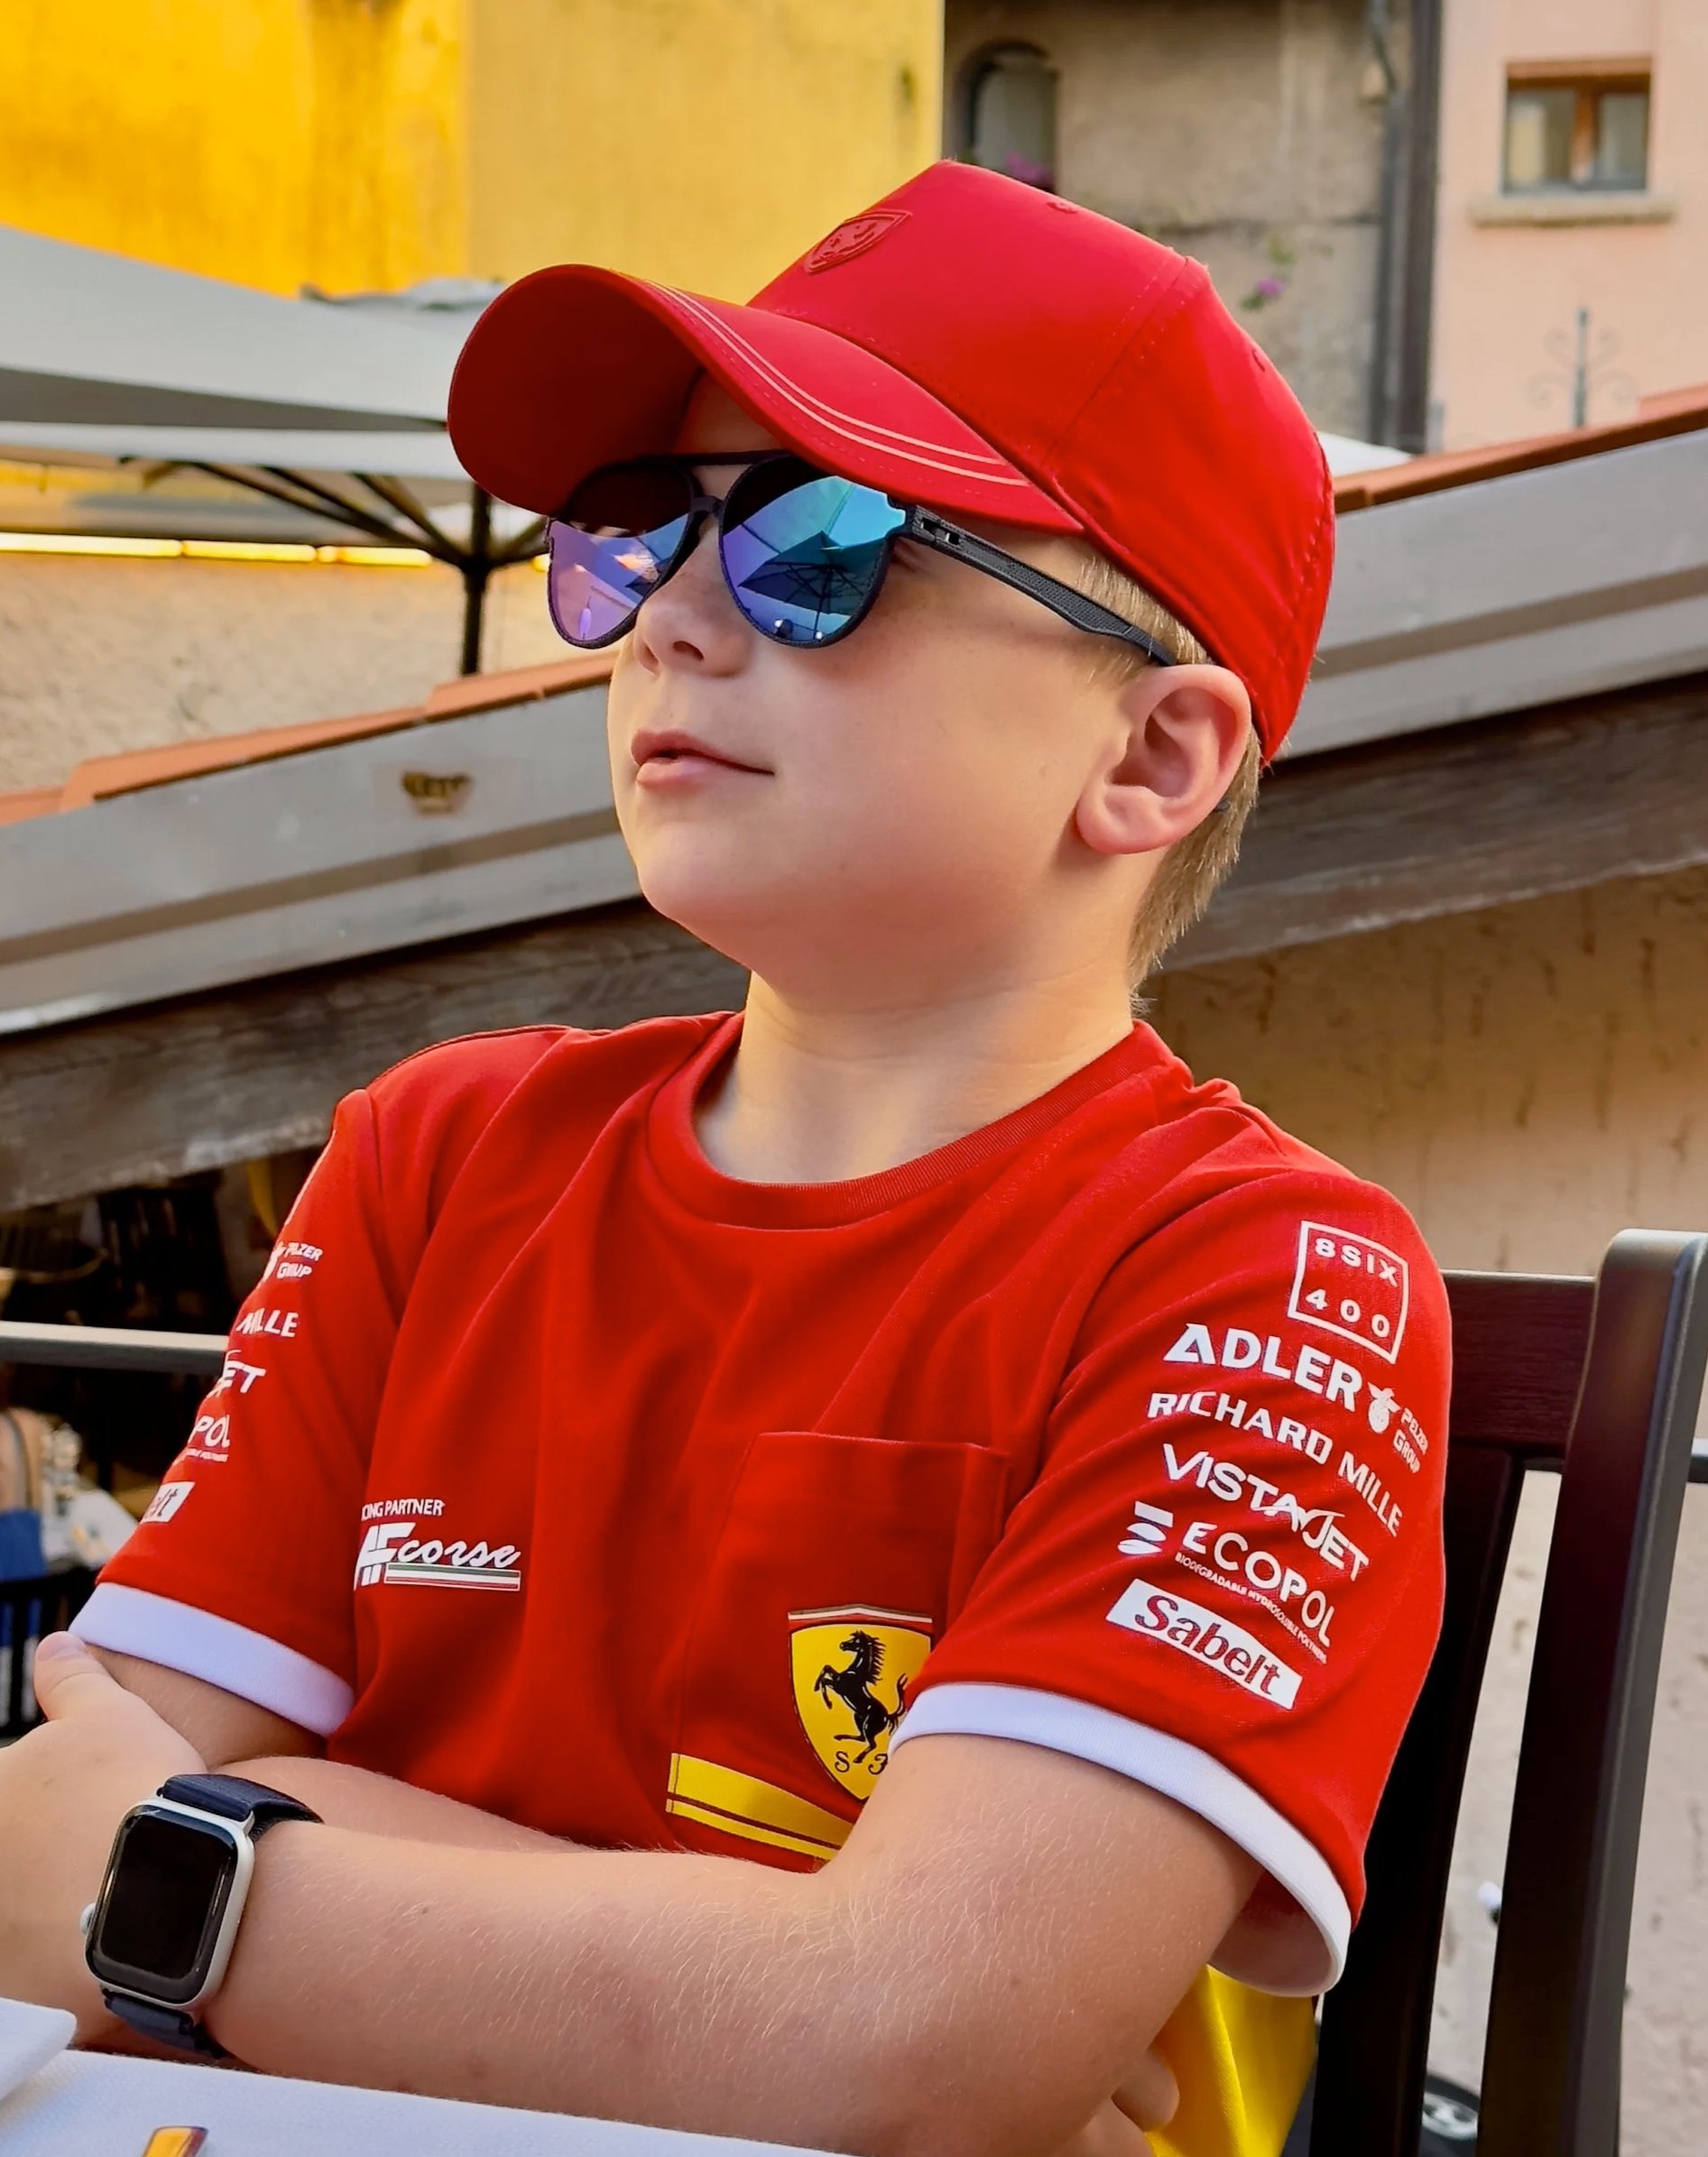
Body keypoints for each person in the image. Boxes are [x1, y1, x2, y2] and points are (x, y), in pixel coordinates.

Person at [0, 163, 1448, 2157]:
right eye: (631, 537)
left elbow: (914, 2049)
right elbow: (34, 1846)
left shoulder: (1262, 1272)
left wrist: (193, 1886)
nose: (669, 617)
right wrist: (759, 1986)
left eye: (819, 546)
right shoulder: (439, 1152)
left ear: (1148, 757)